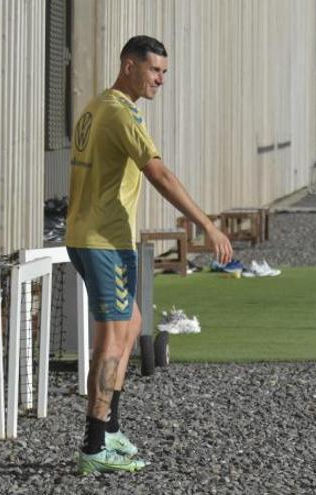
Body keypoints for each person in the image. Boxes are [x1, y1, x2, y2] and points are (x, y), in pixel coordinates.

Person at [66, 35, 233, 475]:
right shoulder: (121, 112)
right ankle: (94, 444)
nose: (160, 79)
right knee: (113, 340)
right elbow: (159, 172)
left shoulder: (97, 104)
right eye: (154, 70)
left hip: (91, 236)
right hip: (103, 240)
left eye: (164, 72)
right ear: (129, 66)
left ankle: (111, 428)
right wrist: (207, 224)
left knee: (134, 323)